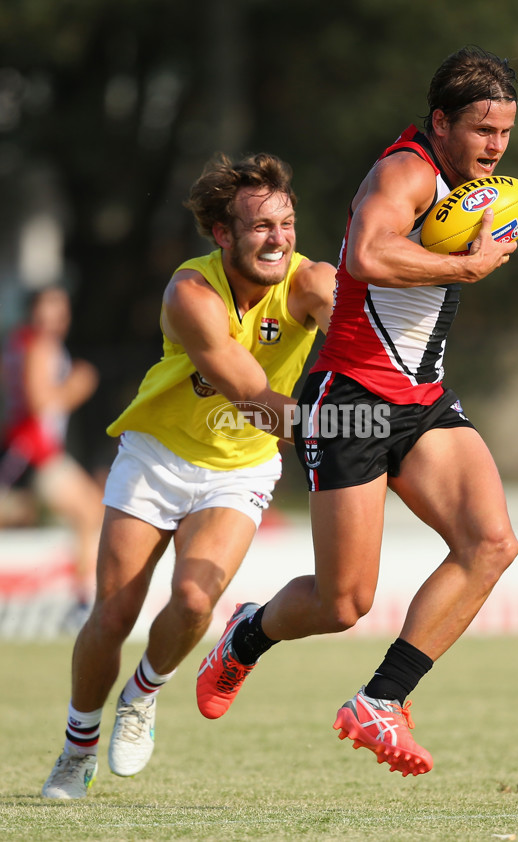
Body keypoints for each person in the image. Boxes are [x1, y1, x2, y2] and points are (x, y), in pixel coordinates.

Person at [196, 47, 518, 777]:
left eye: (504, 132)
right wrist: (467, 265)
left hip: (423, 401)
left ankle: (381, 700)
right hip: (352, 402)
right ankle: (246, 636)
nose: (495, 147)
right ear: (440, 122)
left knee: (492, 544)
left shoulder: (477, 184)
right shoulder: (405, 171)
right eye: (481, 131)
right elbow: (367, 256)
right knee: (344, 602)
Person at [41, 152, 335, 799]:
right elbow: (255, 396)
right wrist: (349, 433)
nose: (278, 238)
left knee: (197, 600)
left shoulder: (313, 283)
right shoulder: (190, 292)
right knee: (113, 614)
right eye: (261, 226)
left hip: (242, 465)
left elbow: (359, 333)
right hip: (157, 455)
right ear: (222, 234)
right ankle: (76, 745)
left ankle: (143, 694)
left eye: (286, 223)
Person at [0, 286, 104, 618]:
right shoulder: (38, 344)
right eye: (49, 308)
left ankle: (83, 599)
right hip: (35, 449)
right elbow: (40, 402)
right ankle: (83, 602)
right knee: (89, 512)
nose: (56, 317)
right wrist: (78, 384)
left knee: (86, 512)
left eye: (60, 309)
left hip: (26, 446)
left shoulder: (19, 341)